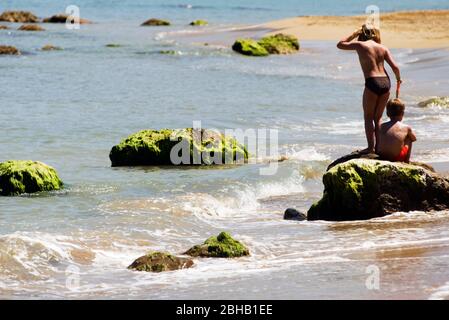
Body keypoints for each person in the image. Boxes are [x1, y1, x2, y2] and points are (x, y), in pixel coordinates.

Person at [337, 24, 402, 154]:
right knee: (378, 118)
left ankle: (370, 148)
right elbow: (395, 67)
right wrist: (398, 79)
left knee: (368, 117)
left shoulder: (360, 45)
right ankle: (379, 147)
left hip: (372, 81)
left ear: (362, 34)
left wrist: (355, 33)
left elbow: (340, 44)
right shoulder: (383, 48)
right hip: (385, 82)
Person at [377, 98, 416, 163]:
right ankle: (407, 161)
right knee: (409, 138)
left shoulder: (381, 126)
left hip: (381, 156)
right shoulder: (406, 127)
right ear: (402, 113)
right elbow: (414, 139)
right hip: (396, 158)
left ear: (387, 113)